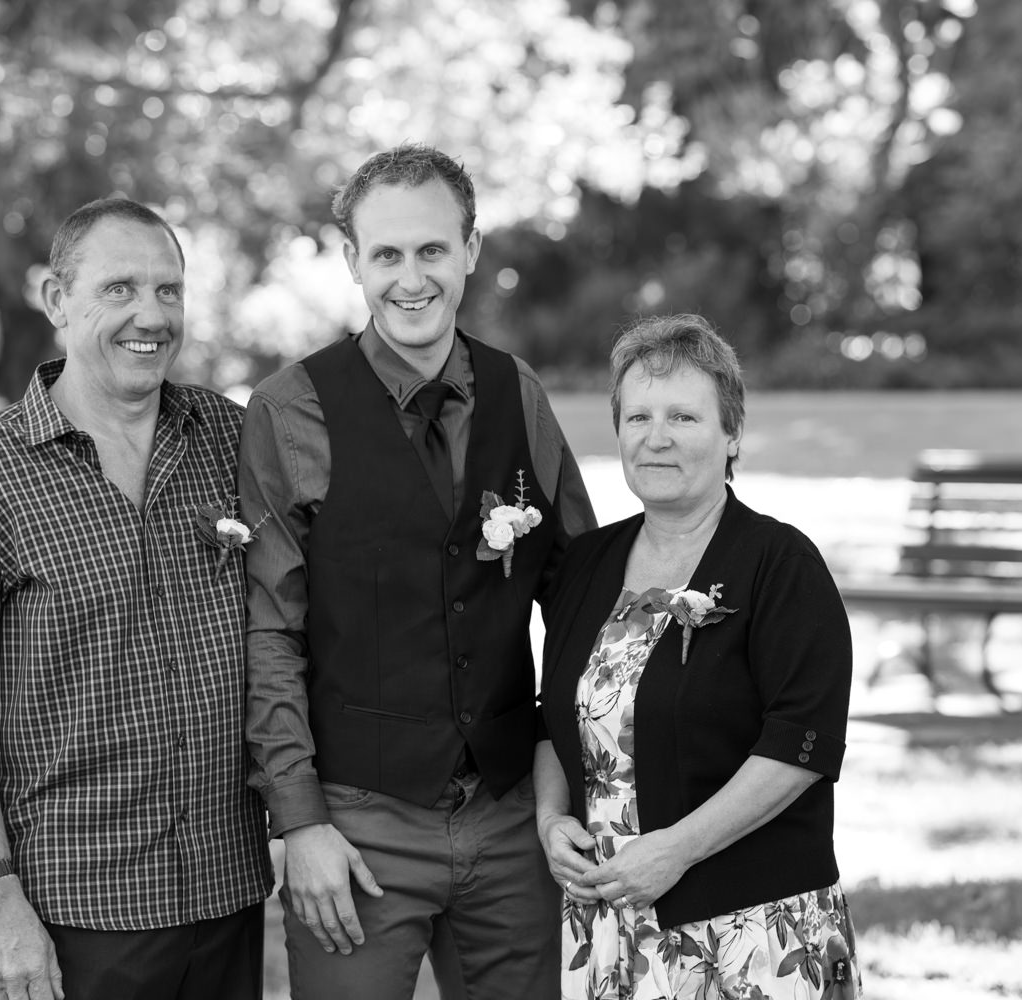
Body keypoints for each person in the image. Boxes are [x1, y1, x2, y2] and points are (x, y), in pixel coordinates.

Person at [0, 197, 273, 1000]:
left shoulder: (229, 439)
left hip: (228, 893)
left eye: (169, 291)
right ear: (57, 299)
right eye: (120, 289)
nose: (152, 315)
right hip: (78, 915)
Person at [238, 143, 597, 999]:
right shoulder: (290, 409)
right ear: (354, 262)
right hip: (358, 823)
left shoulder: (520, 395)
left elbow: (584, 597)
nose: (411, 276)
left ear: (470, 251)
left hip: (512, 817)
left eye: (432, 249)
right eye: (387, 253)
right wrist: (302, 823)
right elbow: (269, 627)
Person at [534, 314, 862, 1000]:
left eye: (683, 416)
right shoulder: (588, 563)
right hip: (610, 925)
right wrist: (551, 818)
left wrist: (676, 849)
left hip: (753, 933)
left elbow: (803, 742)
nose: (656, 438)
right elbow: (551, 716)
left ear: (731, 432)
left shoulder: (780, 564)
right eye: (638, 417)